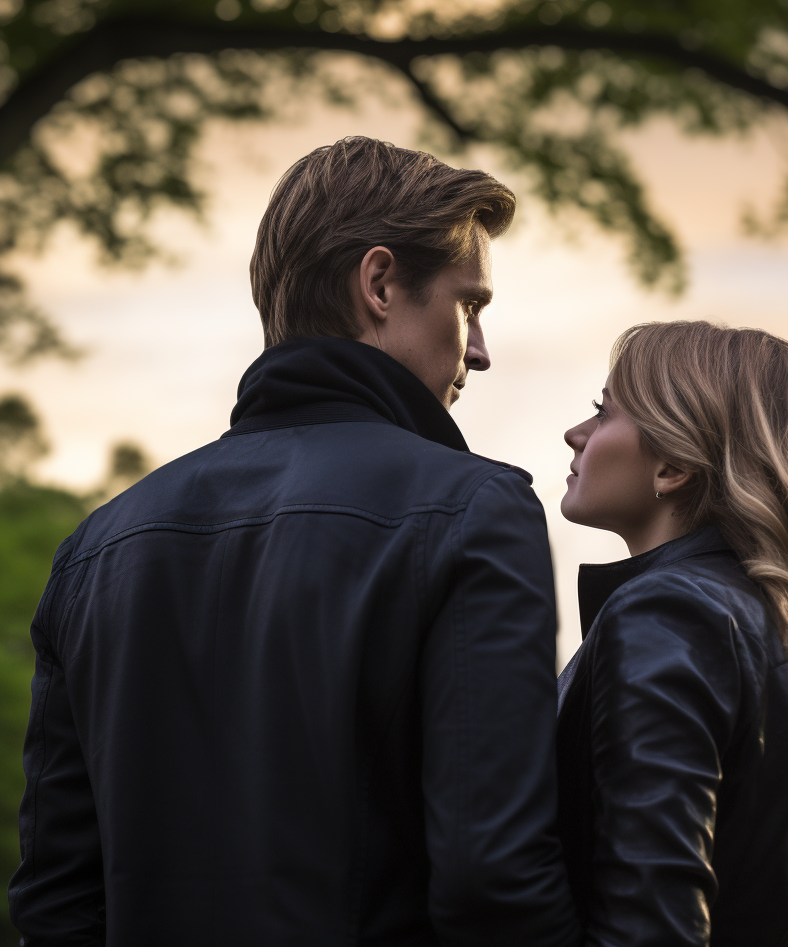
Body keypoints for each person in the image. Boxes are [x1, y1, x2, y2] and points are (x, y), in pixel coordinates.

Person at [9, 137, 580, 946]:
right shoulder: (474, 511)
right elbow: (494, 882)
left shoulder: (97, 548)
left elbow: (57, 901)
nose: (479, 352)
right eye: (470, 305)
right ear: (380, 283)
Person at [555, 320, 788, 947]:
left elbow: (651, 924)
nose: (576, 435)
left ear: (674, 467)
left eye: (603, 414)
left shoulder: (667, 616)